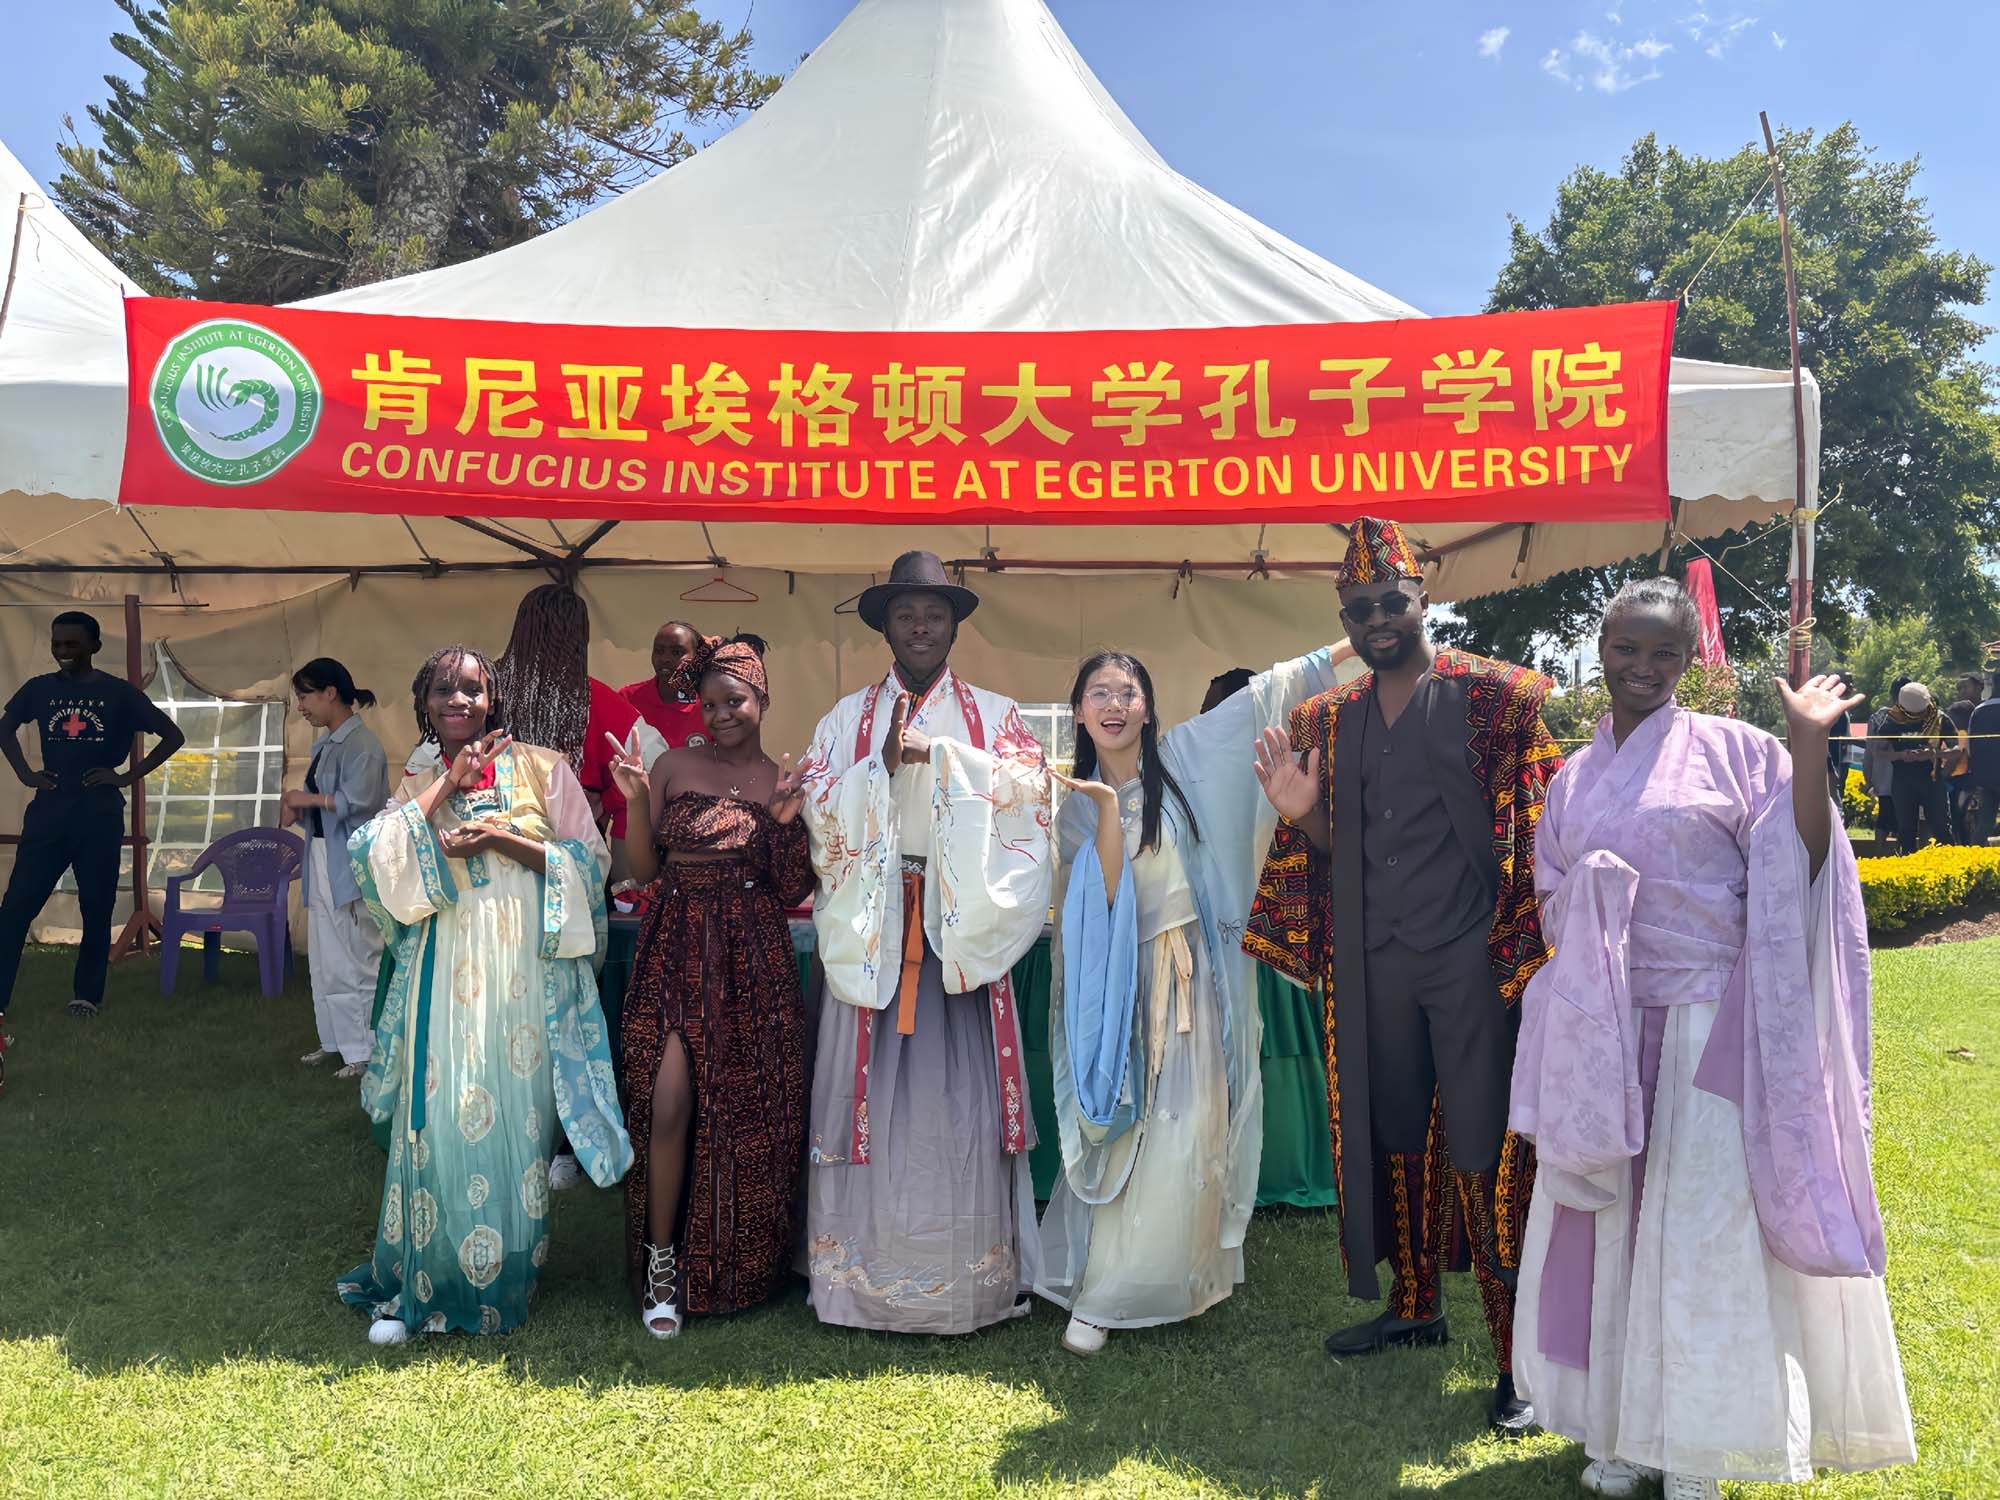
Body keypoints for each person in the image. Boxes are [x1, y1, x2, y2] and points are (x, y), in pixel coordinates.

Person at [1509, 579, 1915, 1499]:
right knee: (1610, 1224)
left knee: (1700, 1228)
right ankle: (1618, 1432)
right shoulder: (1573, 777)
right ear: (1601, 650)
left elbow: (1803, 864)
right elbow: (1549, 896)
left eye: (1664, 652)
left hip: (1708, 1026)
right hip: (1606, 1028)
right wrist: (1591, 899)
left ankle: (1694, 1444)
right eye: (1627, 648)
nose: (1643, 667)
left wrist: (1807, 748)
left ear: (1689, 661)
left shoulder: (1741, 751)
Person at [1243, 515, 1560, 1437]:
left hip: (1473, 967)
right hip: (1372, 969)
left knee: (1485, 1147)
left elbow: (1544, 827)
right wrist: (1301, 814)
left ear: (1423, 599)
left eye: (1392, 601)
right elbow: (1336, 852)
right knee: (1391, 1136)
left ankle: (1518, 1358)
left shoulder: (1499, 698)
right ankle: (1415, 1304)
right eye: (1360, 608)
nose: (1378, 618)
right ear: (1343, 617)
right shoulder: (1325, 719)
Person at [1037, 643, 1336, 1355]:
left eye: (1128, 692)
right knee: (1128, 1127)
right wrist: (1106, 808)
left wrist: (1352, 646)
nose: (1114, 705)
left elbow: (1266, 695)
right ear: (1078, 711)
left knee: (1192, 1123)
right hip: (1121, 984)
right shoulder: (1074, 807)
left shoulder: (1185, 762)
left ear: (1148, 708)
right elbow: (1101, 902)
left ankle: (1181, 1274)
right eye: (1099, 694)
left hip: (1195, 976)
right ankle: (1108, 1290)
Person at [338, 644, 631, 1344]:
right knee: (441, 1118)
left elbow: (590, 865)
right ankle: (431, 1275)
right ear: (424, 702)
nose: (458, 700)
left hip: (524, 981)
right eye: (443, 689)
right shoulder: (420, 777)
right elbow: (372, 854)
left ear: (493, 699)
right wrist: (447, 784)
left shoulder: (544, 768)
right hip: (443, 976)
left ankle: (503, 1275)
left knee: (516, 1126)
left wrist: (502, 839)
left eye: (472, 688)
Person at [796, 550, 1052, 1334]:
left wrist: (938, 760)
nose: (919, 628)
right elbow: (815, 805)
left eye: (933, 615)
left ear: (953, 627)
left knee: (957, 1108)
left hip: (955, 935)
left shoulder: (995, 716)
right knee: (867, 1102)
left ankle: (962, 1278)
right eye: (905, 615)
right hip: (874, 928)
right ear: (885, 627)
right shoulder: (845, 719)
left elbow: (1033, 795)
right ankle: (858, 1278)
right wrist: (872, 772)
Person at [608, 635, 811, 1338]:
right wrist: (638, 801)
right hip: (672, 945)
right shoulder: (671, 765)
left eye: (736, 701)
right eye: (711, 703)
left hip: (751, 956)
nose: (722, 714)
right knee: (666, 1103)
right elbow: (641, 870)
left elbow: (793, 888)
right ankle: (661, 1262)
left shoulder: (778, 779)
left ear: (762, 700)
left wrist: (784, 825)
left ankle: (743, 1267)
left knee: (743, 1114)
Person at [0, 611, 185, 1021]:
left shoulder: (118, 693)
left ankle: (86, 997)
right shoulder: (39, 689)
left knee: (97, 907)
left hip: (98, 814)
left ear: (94, 647)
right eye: (57, 643)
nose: (62, 651)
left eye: (72, 644)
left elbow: (173, 735)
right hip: (48, 812)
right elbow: (4, 728)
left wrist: (126, 777)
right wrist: (26, 774)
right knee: (15, 907)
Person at [282, 658, 389, 1078]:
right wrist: (299, 811)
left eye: (305, 696)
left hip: (351, 863)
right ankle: (335, 1041)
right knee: (325, 957)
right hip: (323, 856)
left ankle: (364, 1051)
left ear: (330, 693)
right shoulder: (326, 744)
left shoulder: (363, 745)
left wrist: (304, 799)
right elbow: (326, 809)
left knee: (357, 956)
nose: (301, 706)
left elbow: (360, 801)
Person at [1882, 681, 1954, 852]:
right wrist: (1901, 755)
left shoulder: (1940, 718)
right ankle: (1907, 863)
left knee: (1941, 827)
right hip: (1903, 782)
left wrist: (1934, 754)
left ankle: (1950, 860)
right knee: (1905, 829)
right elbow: (1878, 752)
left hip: (1932, 781)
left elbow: (1958, 750)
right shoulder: (1892, 720)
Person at [620, 620, 710, 748]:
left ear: (696, 657)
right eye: (659, 651)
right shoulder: (627, 698)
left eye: (676, 652)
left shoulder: (710, 703)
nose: (665, 659)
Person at [1945, 673, 1983, 842]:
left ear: (1980, 687)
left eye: (1965, 687)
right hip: (1959, 778)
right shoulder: (1956, 714)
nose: (1961, 691)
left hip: (1981, 776)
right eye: (1958, 688)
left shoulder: (1987, 712)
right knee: (1961, 820)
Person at [1967, 665, 2000, 847]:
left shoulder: (1979, 710)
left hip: (1985, 777)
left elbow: (1971, 746)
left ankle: (1975, 856)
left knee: (1985, 822)